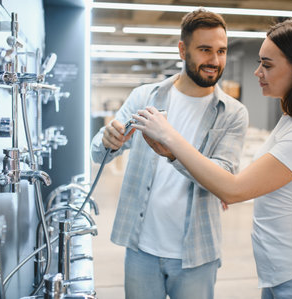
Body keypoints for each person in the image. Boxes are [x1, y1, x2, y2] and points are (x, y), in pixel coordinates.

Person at [133, 19, 292, 299]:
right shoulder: (290, 122)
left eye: (267, 65)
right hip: (281, 275)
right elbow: (240, 183)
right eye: (260, 62)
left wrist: (170, 136)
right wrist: (179, 158)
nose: (257, 72)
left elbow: (234, 189)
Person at [90, 8, 248, 299]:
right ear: (182, 49)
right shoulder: (144, 97)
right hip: (141, 250)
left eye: (221, 51)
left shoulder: (232, 114)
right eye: (204, 50)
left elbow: (224, 179)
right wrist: (107, 140)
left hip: (196, 255)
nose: (214, 61)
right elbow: (99, 156)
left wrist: (173, 151)